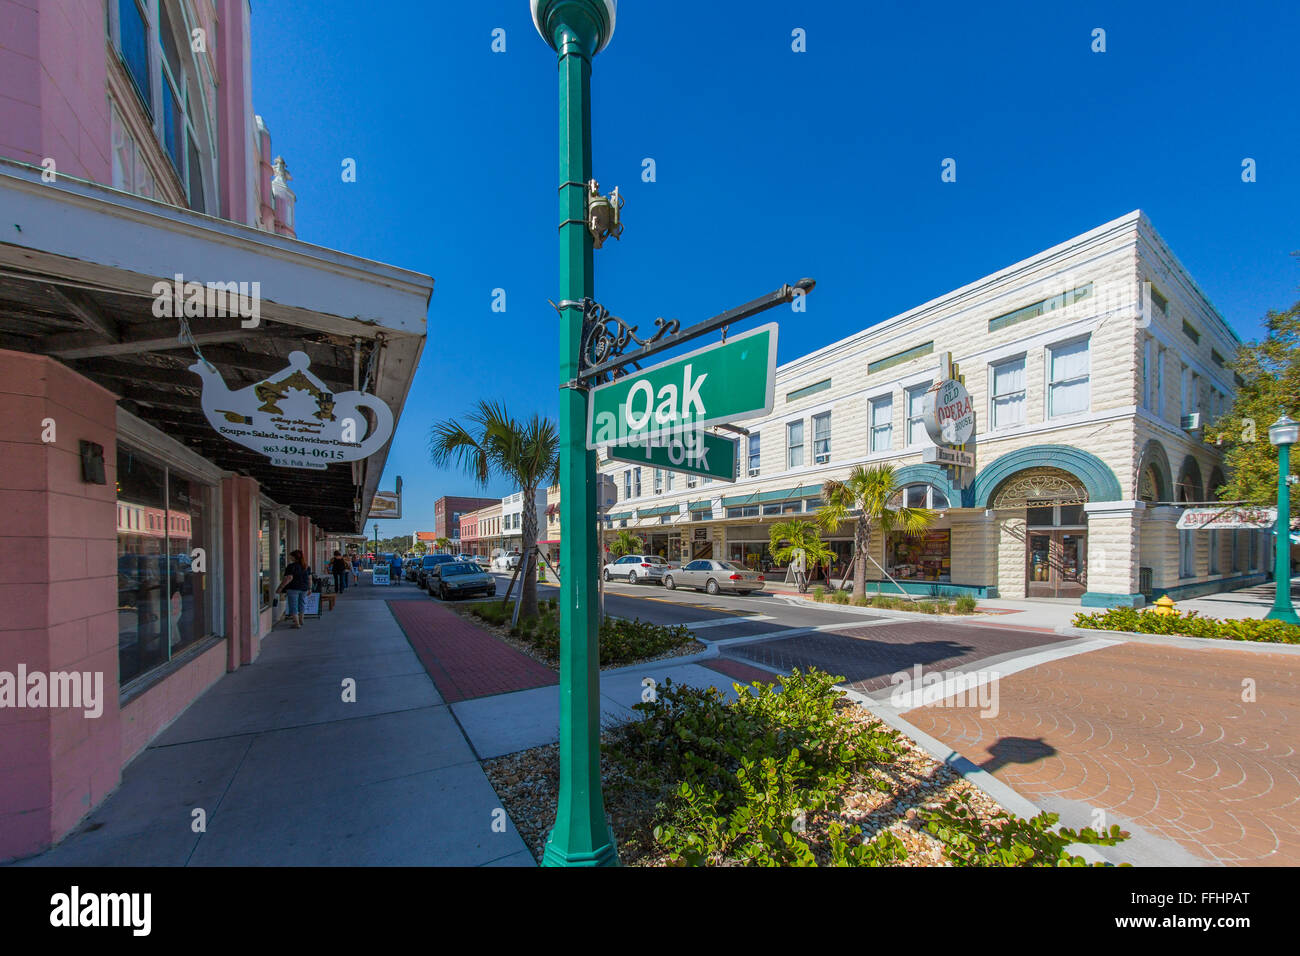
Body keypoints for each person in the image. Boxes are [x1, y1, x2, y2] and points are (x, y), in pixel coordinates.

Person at [277, 549, 312, 629]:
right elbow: (310, 578)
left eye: (291, 556)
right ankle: (301, 620)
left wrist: (281, 587)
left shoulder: (291, 566)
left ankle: (296, 623)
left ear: (294, 557)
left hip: (293, 588)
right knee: (302, 604)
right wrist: (310, 588)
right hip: (304, 588)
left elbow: (289, 578)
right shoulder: (306, 566)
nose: (290, 558)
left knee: (293, 605)